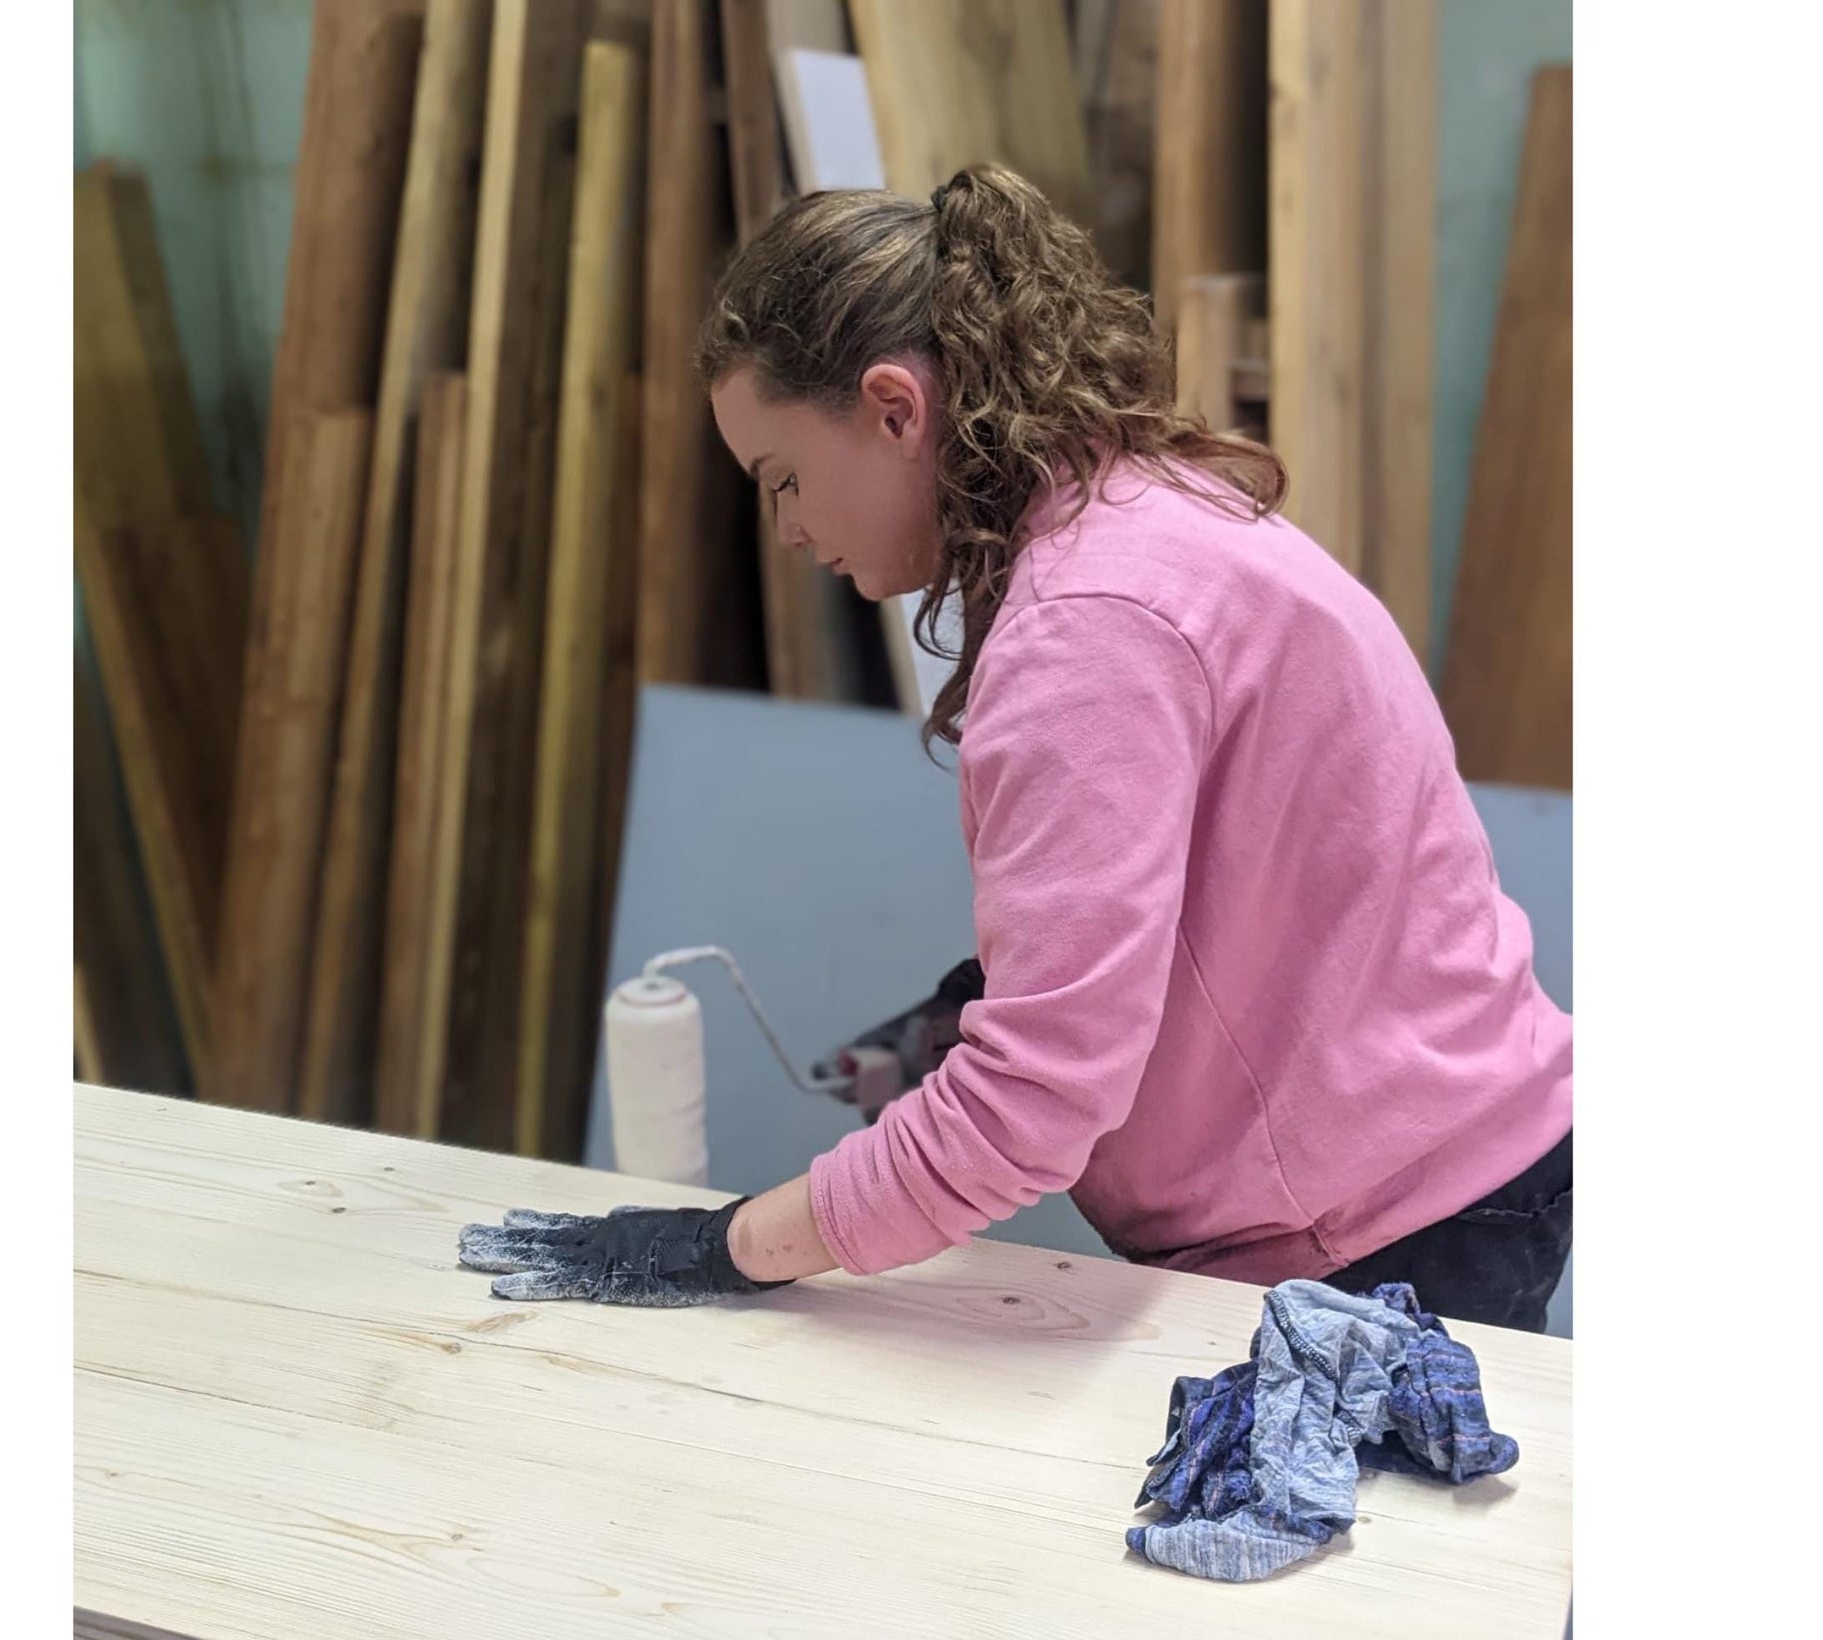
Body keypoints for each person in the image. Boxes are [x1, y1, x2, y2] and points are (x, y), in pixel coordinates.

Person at [462, 166, 1573, 1334]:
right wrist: (971, 1005)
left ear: (895, 409)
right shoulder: (1140, 515)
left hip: (1384, 1229)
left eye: (782, 479)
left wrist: (724, 1243)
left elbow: (1035, 1104)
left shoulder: (1084, 625)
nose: (786, 528)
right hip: (1449, 1162)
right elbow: (1232, 877)